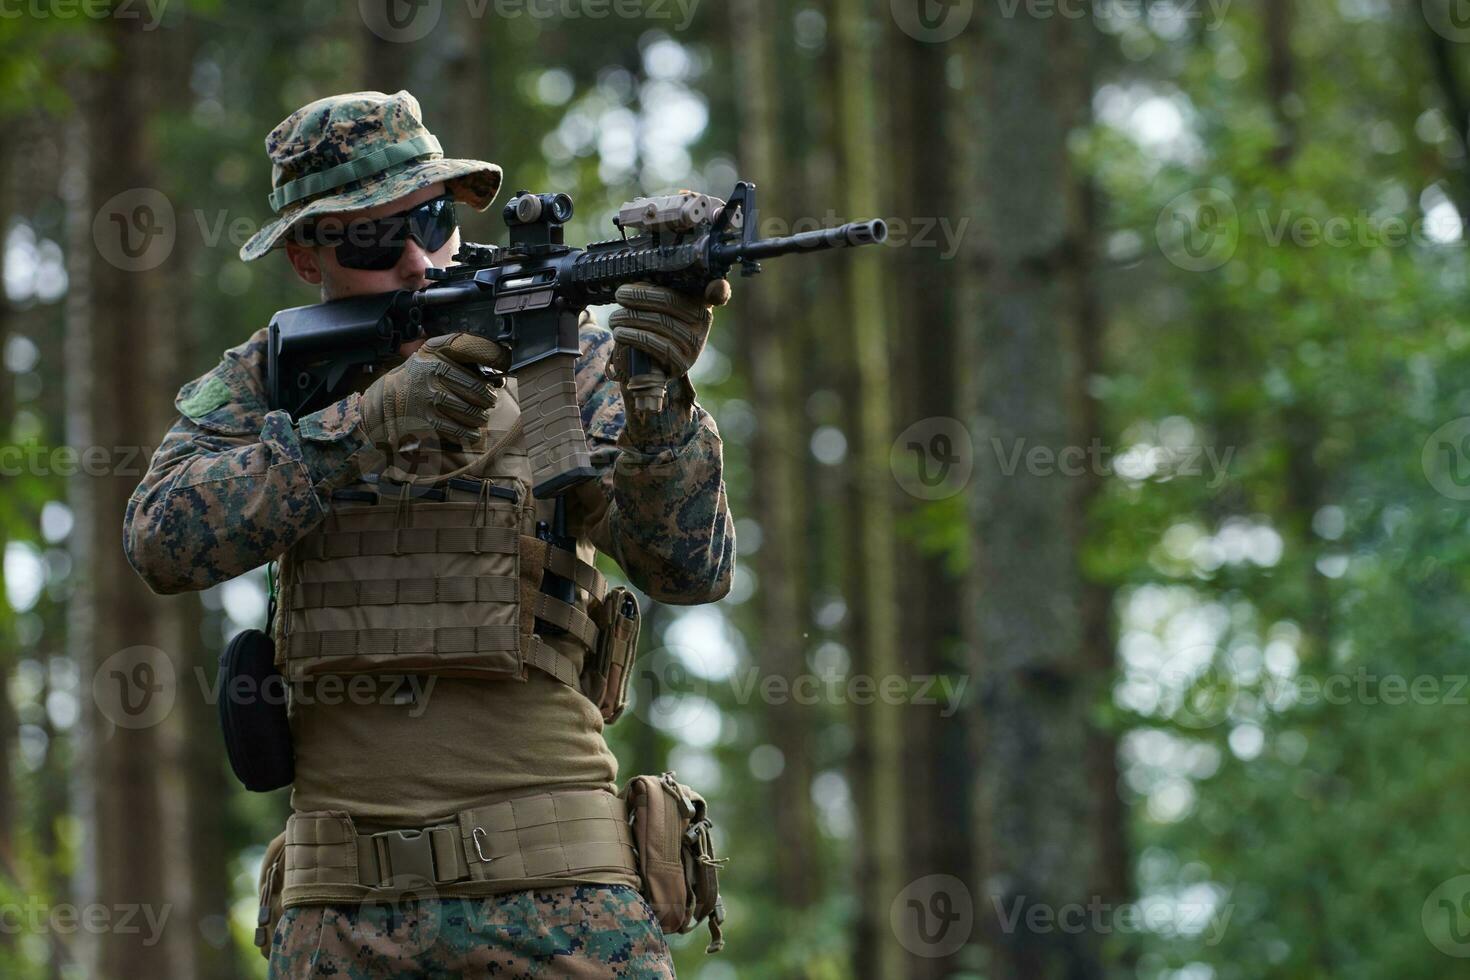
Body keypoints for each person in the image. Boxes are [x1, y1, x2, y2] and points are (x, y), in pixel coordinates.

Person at [123, 89, 734, 978]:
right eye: (374, 240)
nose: (417, 259)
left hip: (562, 899)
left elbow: (691, 567)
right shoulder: (274, 375)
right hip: (343, 914)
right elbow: (160, 539)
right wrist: (354, 430)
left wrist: (659, 399)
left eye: (433, 221)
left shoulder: (569, 357)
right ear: (306, 255)